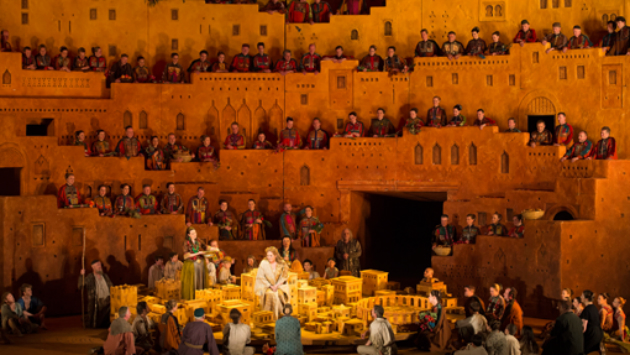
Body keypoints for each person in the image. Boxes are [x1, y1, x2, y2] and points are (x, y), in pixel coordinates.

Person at [254, 247, 290, 319]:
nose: (269, 257)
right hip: (266, 286)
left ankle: (281, 315)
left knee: (279, 294)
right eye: (267, 255)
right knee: (271, 294)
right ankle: (269, 317)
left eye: (271, 255)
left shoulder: (281, 263)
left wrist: (276, 286)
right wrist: (270, 286)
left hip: (279, 286)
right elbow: (260, 277)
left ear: (275, 255)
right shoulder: (263, 263)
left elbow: (284, 277)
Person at [78, 260, 113, 328]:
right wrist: (81, 275)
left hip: (108, 300)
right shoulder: (90, 277)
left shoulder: (105, 276)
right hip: (98, 302)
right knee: (96, 323)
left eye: (100, 265)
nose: (100, 266)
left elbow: (111, 286)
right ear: (93, 267)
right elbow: (80, 285)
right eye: (98, 265)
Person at [181, 227, 210, 300]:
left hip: (199, 262)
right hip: (191, 263)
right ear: (188, 235)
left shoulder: (198, 240)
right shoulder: (186, 242)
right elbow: (186, 255)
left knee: (200, 279)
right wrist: (198, 253)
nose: (195, 234)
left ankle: (200, 295)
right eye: (192, 233)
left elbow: (205, 247)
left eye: (195, 232)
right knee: (194, 280)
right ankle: (193, 296)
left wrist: (214, 249)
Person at [580, 290, 604, 354]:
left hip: (591, 336)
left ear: (586, 299)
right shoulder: (594, 307)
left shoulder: (586, 309)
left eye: (582, 296)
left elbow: (583, 328)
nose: (580, 297)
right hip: (598, 334)